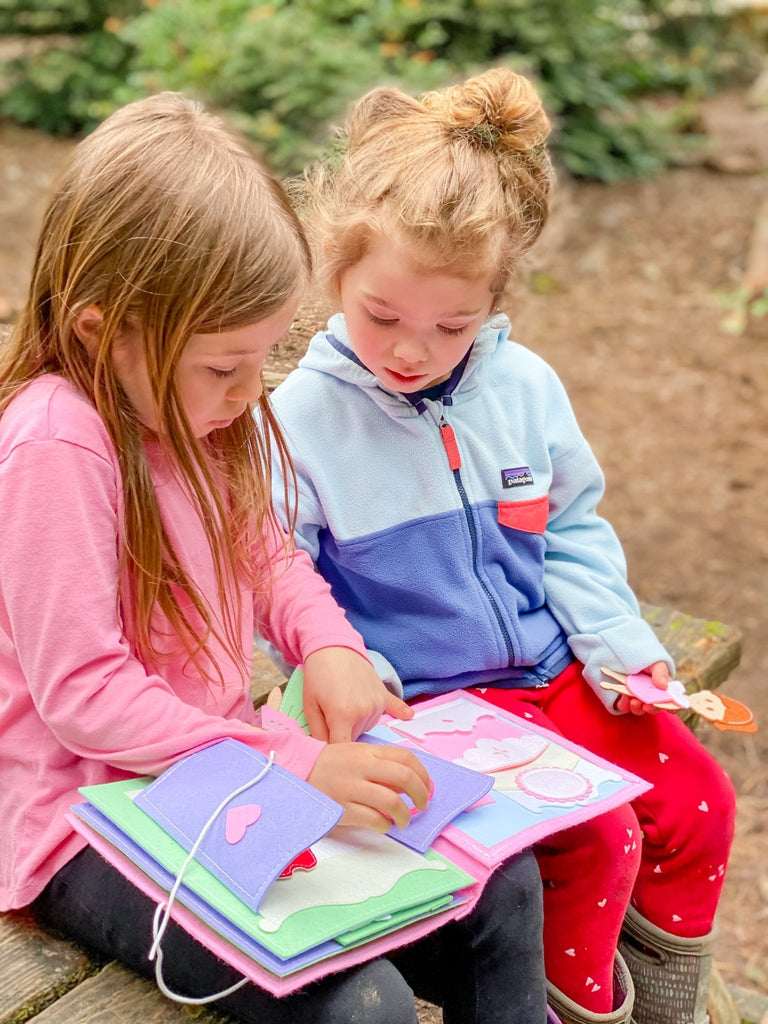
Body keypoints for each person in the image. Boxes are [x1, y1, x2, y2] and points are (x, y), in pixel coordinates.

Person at [0, 92, 549, 1024]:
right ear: (103, 331)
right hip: (83, 823)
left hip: (228, 771)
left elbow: (262, 550)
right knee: (359, 1005)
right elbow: (85, 692)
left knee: (504, 886)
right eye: (226, 366)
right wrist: (286, 766)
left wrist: (328, 645)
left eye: (265, 357)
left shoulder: (195, 409)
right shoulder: (58, 443)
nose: (254, 391)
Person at [266, 67, 737, 1024]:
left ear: (494, 298)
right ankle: (579, 1006)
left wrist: (617, 647)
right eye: (383, 316)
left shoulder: (524, 388)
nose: (413, 350)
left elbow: (570, 527)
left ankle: (669, 1007)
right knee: (593, 840)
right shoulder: (299, 420)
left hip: (557, 669)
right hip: (440, 705)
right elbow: (276, 580)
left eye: (454, 324)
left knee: (699, 808)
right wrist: (364, 675)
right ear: (335, 275)